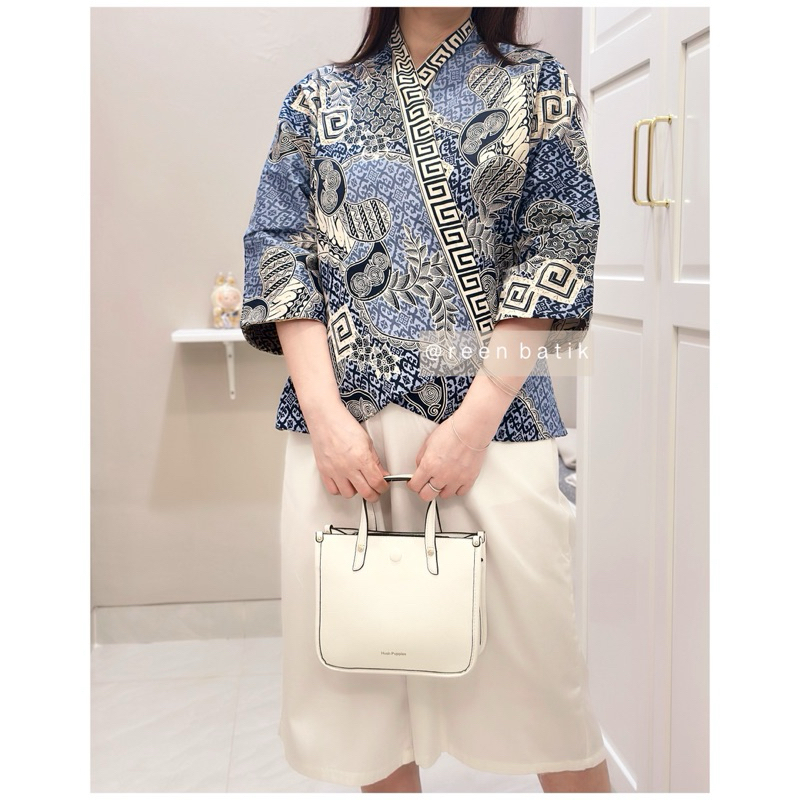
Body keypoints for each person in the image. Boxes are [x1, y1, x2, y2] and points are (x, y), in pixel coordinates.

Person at [240, 6, 611, 793]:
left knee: (549, 699)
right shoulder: (315, 97)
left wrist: (475, 421)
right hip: (347, 440)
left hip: (495, 429)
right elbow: (278, 250)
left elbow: (556, 243)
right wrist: (326, 420)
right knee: (365, 705)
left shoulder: (535, 84)